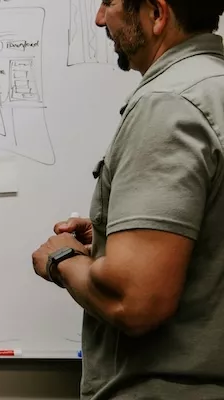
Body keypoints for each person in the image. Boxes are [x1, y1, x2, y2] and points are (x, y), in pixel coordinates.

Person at [31, 0, 224, 398]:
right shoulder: (214, 85)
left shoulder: (168, 103)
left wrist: (62, 259)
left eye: (110, 3)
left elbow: (135, 300)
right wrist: (108, 237)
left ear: (156, 13)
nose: (100, 18)